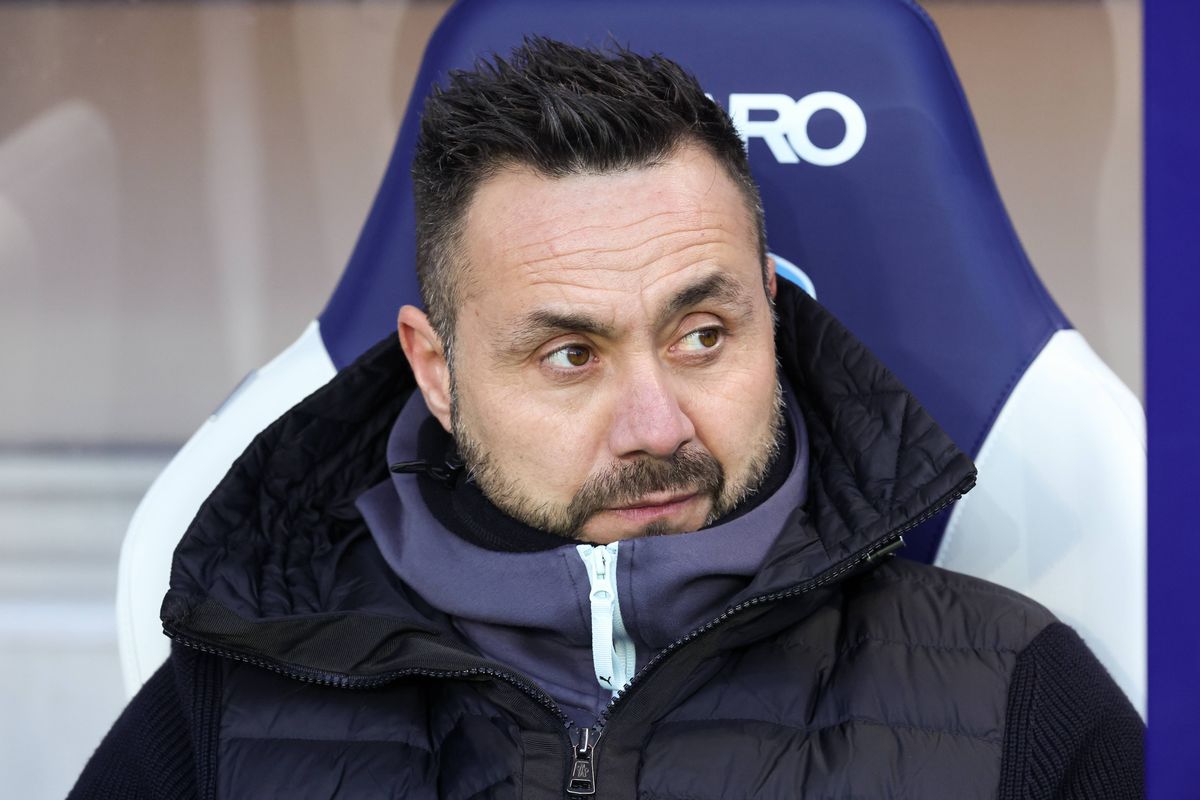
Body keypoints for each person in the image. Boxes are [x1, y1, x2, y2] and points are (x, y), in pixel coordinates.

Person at [70, 37, 1143, 799]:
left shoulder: (1021, 702)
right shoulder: (224, 717)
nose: (655, 425)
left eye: (702, 335)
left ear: (773, 312)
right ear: (435, 372)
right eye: (571, 355)